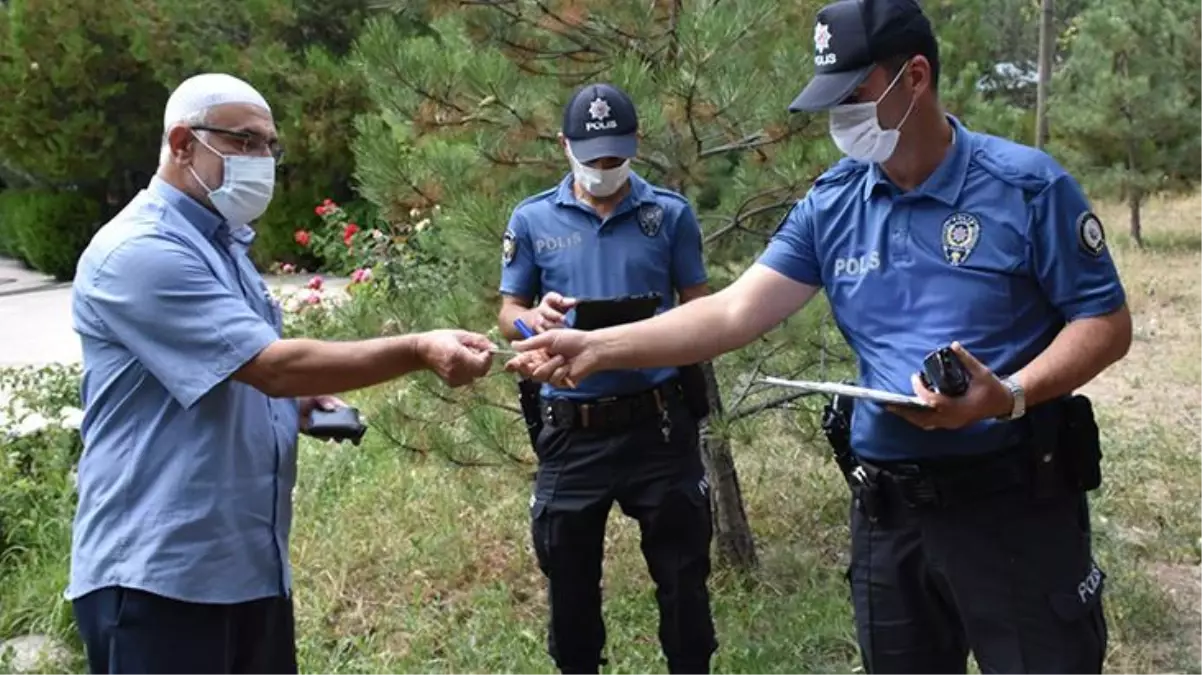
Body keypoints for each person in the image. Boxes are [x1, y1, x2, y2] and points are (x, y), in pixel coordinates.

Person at [507, 1, 1133, 673]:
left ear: (914, 77)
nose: (841, 119)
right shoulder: (834, 204)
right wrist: (596, 347)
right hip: (889, 517)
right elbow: (728, 314)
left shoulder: (1026, 187)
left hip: (1015, 506)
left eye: (853, 96)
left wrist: (1005, 394)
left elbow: (1106, 323)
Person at [67, 72, 495, 675]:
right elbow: (271, 366)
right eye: (243, 142)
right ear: (183, 143)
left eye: (269, 144)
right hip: (158, 579)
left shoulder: (223, 247)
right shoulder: (139, 251)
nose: (261, 158)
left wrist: (291, 406)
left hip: (246, 568)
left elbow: (233, 373)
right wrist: (421, 347)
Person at [496, 82, 718, 674]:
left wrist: (658, 326)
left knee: (684, 588)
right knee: (569, 591)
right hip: (572, 426)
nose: (603, 169)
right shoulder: (533, 218)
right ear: (566, 146)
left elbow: (702, 308)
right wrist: (531, 321)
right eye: (592, 158)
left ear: (635, 146)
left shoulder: (667, 214)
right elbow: (508, 311)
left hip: (659, 422)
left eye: (615, 157)